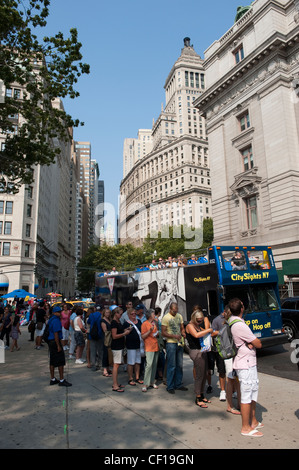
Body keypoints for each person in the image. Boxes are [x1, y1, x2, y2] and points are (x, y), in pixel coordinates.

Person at [227, 298, 263, 437]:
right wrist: (253, 342)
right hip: (245, 363)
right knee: (247, 396)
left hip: (248, 362)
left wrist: (251, 342)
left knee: (253, 391)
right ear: (242, 309)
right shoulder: (239, 325)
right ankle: (245, 427)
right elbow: (258, 343)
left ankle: (253, 421)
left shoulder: (235, 322)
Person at [212, 306, 241, 413]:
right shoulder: (218, 321)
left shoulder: (232, 322)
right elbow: (212, 333)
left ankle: (233, 393)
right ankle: (224, 392)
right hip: (223, 351)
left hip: (232, 352)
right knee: (224, 372)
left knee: (232, 374)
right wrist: (220, 332)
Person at [186, 310, 213, 407]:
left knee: (205, 373)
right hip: (196, 351)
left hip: (202, 350)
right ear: (193, 318)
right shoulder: (190, 326)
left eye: (201, 321)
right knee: (199, 375)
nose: (199, 322)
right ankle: (198, 397)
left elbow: (203, 333)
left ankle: (201, 394)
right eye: (198, 320)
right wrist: (208, 330)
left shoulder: (198, 326)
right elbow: (196, 335)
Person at [161, 302, 188, 394]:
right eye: (173, 311)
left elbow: (182, 328)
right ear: (170, 309)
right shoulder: (166, 318)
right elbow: (163, 333)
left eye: (176, 310)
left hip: (179, 343)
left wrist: (183, 333)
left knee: (179, 365)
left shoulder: (179, 316)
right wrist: (173, 336)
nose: (175, 312)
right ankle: (170, 386)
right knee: (171, 365)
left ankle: (178, 384)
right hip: (171, 343)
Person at [48, 306, 72, 387]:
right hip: (55, 342)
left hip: (51, 342)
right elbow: (56, 333)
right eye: (58, 312)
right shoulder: (56, 320)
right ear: (55, 313)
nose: (60, 313)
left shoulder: (51, 319)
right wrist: (58, 345)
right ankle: (61, 380)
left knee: (52, 361)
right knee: (60, 362)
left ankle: (53, 379)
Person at [110, 307, 132, 392]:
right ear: (116, 313)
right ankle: (115, 385)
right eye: (120, 314)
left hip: (120, 345)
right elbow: (114, 336)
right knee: (116, 365)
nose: (121, 315)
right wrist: (124, 333)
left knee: (117, 364)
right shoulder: (114, 323)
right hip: (116, 346)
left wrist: (125, 330)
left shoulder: (118, 321)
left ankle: (116, 383)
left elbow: (119, 331)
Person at [141, 309, 160, 392]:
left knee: (154, 365)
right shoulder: (144, 324)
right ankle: (145, 383)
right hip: (149, 347)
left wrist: (156, 333)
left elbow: (155, 333)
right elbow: (143, 336)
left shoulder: (154, 323)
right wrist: (150, 331)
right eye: (153, 314)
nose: (154, 315)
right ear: (149, 315)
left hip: (155, 346)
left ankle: (152, 382)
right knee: (149, 365)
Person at [123, 308, 143, 385]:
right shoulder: (126, 323)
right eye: (132, 314)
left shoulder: (139, 321)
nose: (134, 315)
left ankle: (137, 377)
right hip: (130, 345)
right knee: (131, 362)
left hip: (139, 345)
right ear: (128, 315)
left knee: (138, 361)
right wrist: (127, 330)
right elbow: (124, 332)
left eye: (135, 313)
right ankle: (130, 378)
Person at [87, 306, 103, 371]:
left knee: (93, 350)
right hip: (100, 335)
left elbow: (88, 323)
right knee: (100, 350)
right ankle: (100, 364)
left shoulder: (91, 315)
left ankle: (93, 364)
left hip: (92, 335)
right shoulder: (101, 316)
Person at [100, 307, 112, 377]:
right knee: (105, 354)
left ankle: (107, 368)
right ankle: (104, 370)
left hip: (109, 339)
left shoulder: (109, 319)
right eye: (106, 312)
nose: (108, 314)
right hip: (106, 339)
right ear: (104, 313)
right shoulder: (103, 321)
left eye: (109, 312)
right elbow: (105, 331)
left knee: (108, 353)